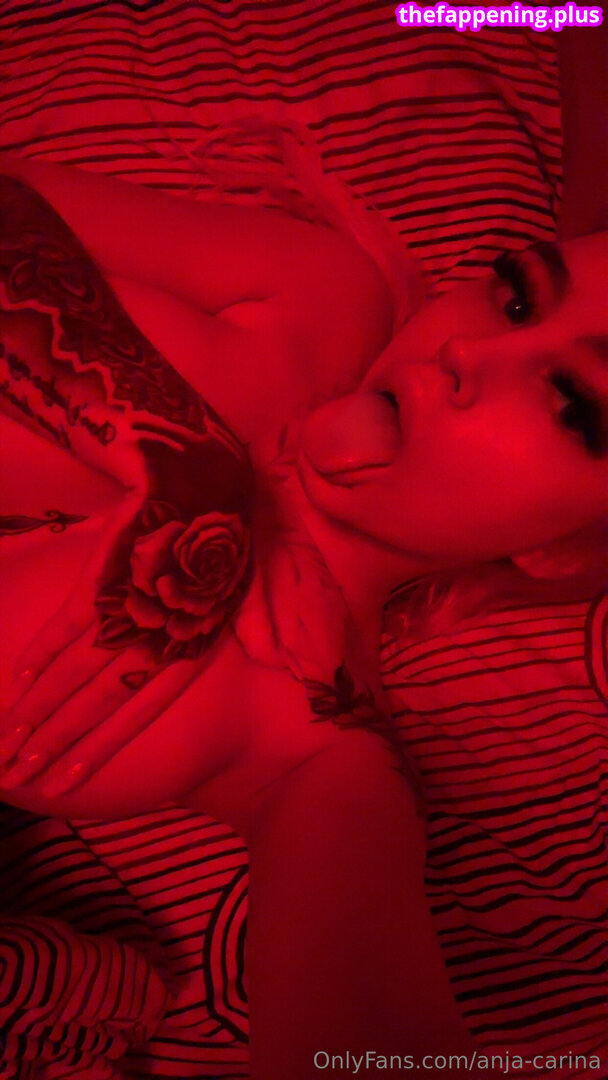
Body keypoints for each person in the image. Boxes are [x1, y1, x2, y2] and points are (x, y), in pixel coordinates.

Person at [0, 25, 606, 1070]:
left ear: (562, 553)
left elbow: (364, 1050)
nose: (472, 346)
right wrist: (176, 452)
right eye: (515, 294)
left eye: (568, 401)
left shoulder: (325, 748)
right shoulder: (316, 296)